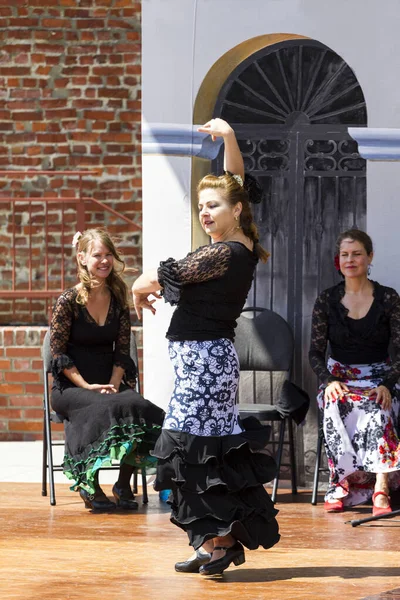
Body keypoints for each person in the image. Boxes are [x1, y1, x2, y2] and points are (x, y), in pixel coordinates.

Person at [132, 118, 280, 576]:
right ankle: (211, 539)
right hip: (203, 361)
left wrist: (139, 287)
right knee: (203, 451)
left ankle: (220, 542)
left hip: (205, 363)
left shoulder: (224, 253)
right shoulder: (242, 245)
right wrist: (231, 140)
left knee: (194, 451)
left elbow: (158, 275)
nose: (205, 213)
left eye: (213, 205)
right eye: (200, 206)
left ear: (237, 210)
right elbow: (234, 184)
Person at [50, 228, 165, 511]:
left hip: (109, 380)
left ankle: (123, 483)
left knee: (139, 406)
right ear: (82, 258)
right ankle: (89, 483)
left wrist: (114, 383)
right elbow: (58, 354)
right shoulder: (68, 301)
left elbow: (122, 350)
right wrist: (88, 387)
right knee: (101, 407)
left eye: (108, 255)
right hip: (72, 386)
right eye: (97, 255)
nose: (104, 261)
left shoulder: (117, 297)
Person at [309, 228, 400, 515]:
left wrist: (387, 383)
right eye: (345, 254)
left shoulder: (388, 298)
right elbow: (315, 353)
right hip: (340, 377)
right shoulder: (326, 300)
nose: (350, 259)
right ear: (338, 259)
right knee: (334, 403)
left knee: (380, 406)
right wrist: (329, 381)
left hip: (380, 377)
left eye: (357, 253)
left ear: (369, 257)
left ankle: (381, 488)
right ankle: (340, 483)